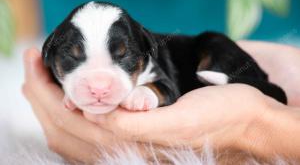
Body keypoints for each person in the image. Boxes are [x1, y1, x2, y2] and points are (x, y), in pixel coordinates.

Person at [22, 41, 300, 164]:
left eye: (121, 57)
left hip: (214, 55)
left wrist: (256, 125)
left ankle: (245, 81)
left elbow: (164, 86)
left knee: (214, 48)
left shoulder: (158, 62)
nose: (98, 85)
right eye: (74, 60)